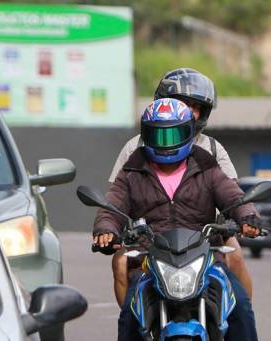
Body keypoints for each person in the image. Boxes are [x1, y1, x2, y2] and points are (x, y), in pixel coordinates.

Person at [93, 97, 261, 341]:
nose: (166, 144)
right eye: (158, 135)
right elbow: (111, 207)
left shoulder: (207, 166)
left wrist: (247, 216)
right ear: (146, 135)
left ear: (188, 133)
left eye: (174, 135)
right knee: (130, 314)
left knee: (239, 303)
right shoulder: (132, 171)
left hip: (204, 255)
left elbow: (234, 198)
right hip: (151, 258)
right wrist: (105, 230)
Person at [107, 68, 254, 306]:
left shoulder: (212, 149)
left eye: (196, 107)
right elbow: (116, 200)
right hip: (149, 236)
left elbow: (231, 194)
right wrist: (110, 229)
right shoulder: (134, 149)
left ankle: (240, 316)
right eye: (182, 103)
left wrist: (244, 218)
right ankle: (132, 322)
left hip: (205, 235)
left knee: (235, 256)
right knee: (120, 263)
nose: (190, 112)